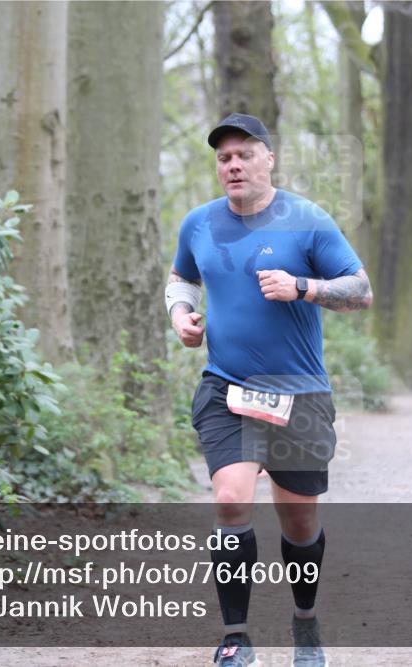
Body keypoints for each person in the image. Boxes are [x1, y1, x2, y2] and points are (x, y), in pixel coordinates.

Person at [165, 112, 372, 667]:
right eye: (223, 158)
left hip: (299, 392)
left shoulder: (306, 220)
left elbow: (360, 290)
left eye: (244, 155)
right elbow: (181, 276)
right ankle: (236, 637)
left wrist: (302, 286)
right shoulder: (199, 224)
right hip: (226, 387)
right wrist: (181, 313)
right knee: (231, 498)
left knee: (299, 524)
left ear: (268, 158)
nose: (233, 166)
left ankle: (305, 624)